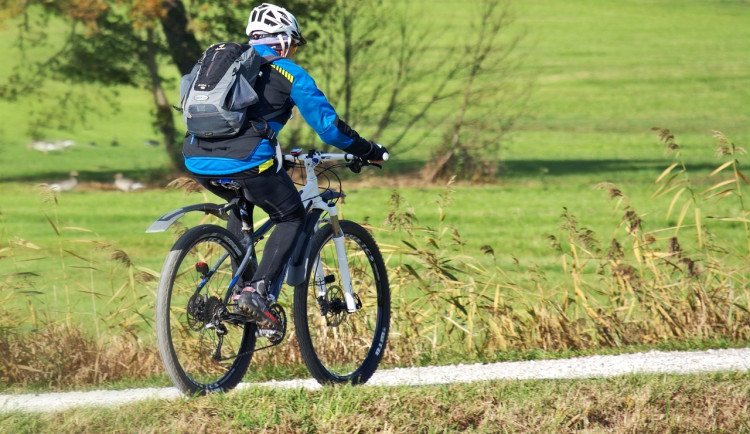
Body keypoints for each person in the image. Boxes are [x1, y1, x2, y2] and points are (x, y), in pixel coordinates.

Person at [182, 3, 387, 328]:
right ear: (283, 41)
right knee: (290, 215)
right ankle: (258, 292)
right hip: (249, 160)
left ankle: (237, 291)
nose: (292, 50)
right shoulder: (288, 72)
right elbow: (329, 128)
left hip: (196, 159)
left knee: (243, 199)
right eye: (292, 44)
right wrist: (369, 149)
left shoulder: (225, 67)